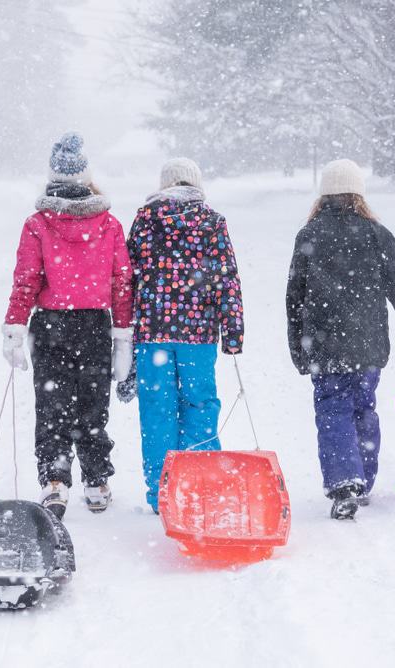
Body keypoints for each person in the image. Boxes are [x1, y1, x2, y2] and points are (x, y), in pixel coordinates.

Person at [286, 159, 395, 520]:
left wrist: (299, 348)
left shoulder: (310, 235)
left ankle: (344, 483)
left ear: (324, 195)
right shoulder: (375, 234)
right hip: (367, 345)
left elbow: (295, 297)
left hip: (323, 345)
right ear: (359, 195)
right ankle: (363, 481)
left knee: (332, 408)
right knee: (363, 407)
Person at [2, 132, 133, 519]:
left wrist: (15, 326)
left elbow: (26, 280)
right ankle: (96, 481)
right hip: (94, 324)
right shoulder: (108, 224)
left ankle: (55, 480)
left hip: (51, 325)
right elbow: (121, 282)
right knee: (93, 406)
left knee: (52, 404)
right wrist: (122, 335)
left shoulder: (38, 224)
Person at [126, 158, 244, 514]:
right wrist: (233, 330)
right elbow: (227, 278)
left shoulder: (146, 220)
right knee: (200, 406)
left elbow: (128, 275)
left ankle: (162, 492)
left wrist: (122, 325)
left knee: (157, 411)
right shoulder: (211, 222)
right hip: (198, 334)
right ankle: (201, 487)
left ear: (164, 186)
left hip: (153, 334)